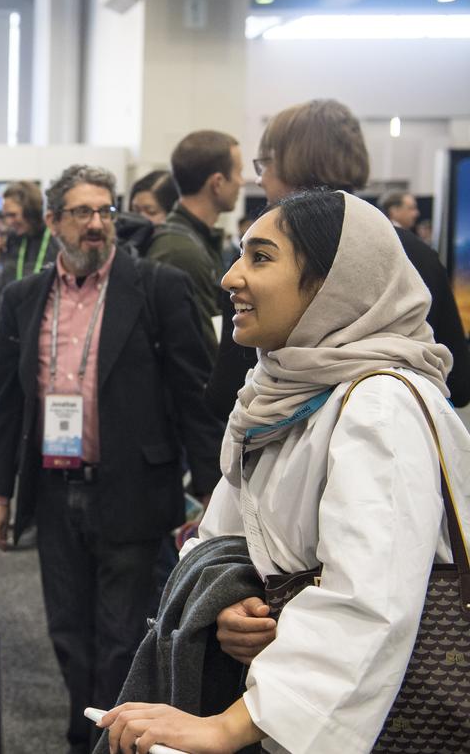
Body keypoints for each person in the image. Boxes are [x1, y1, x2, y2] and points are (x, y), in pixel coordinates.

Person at [99, 189, 470, 754]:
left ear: (330, 284)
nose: (230, 277)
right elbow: (222, 538)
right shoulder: (279, 394)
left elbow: (368, 603)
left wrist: (228, 726)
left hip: (370, 719)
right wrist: (227, 602)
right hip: (280, 704)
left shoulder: (379, 404)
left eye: (261, 257)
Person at [0, 164, 221, 754]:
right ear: (54, 221)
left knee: (120, 635)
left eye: (105, 211)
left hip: (134, 487)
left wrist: (214, 488)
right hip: (54, 489)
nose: (97, 224)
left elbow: (194, 392)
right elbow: (7, 403)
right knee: (66, 630)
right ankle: (81, 730)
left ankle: (109, 741)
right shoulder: (23, 297)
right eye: (83, 213)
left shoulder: (157, 287)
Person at [204, 98, 470, 414]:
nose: (259, 178)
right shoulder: (415, 251)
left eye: (264, 164)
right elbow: (458, 381)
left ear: (292, 161)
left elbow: (227, 394)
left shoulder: (267, 254)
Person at [146, 130, 245, 359]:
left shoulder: (193, 242)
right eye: (238, 173)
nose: (242, 181)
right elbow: (200, 349)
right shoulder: (181, 251)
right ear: (217, 183)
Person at [0, 180, 60, 285]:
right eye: (6, 215)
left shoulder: (56, 238)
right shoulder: (13, 239)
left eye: (13, 215)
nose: (9, 222)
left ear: (30, 211)